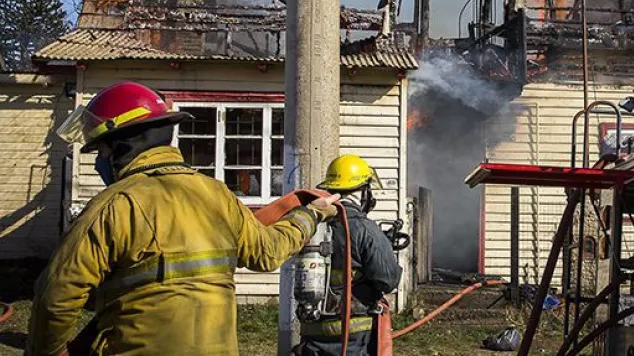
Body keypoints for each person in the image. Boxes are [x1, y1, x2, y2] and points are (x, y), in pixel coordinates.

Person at [27, 81, 338, 356]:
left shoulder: (114, 205)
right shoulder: (216, 194)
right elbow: (267, 251)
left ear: (123, 145)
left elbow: (55, 297)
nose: (99, 163)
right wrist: (311, 214)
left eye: (101, 152)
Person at [294, 154, 403, 356]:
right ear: (363, 191)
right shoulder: (364, 228)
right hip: (352, 334)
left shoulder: (313, 223)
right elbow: (387, 279)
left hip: (312, 331)